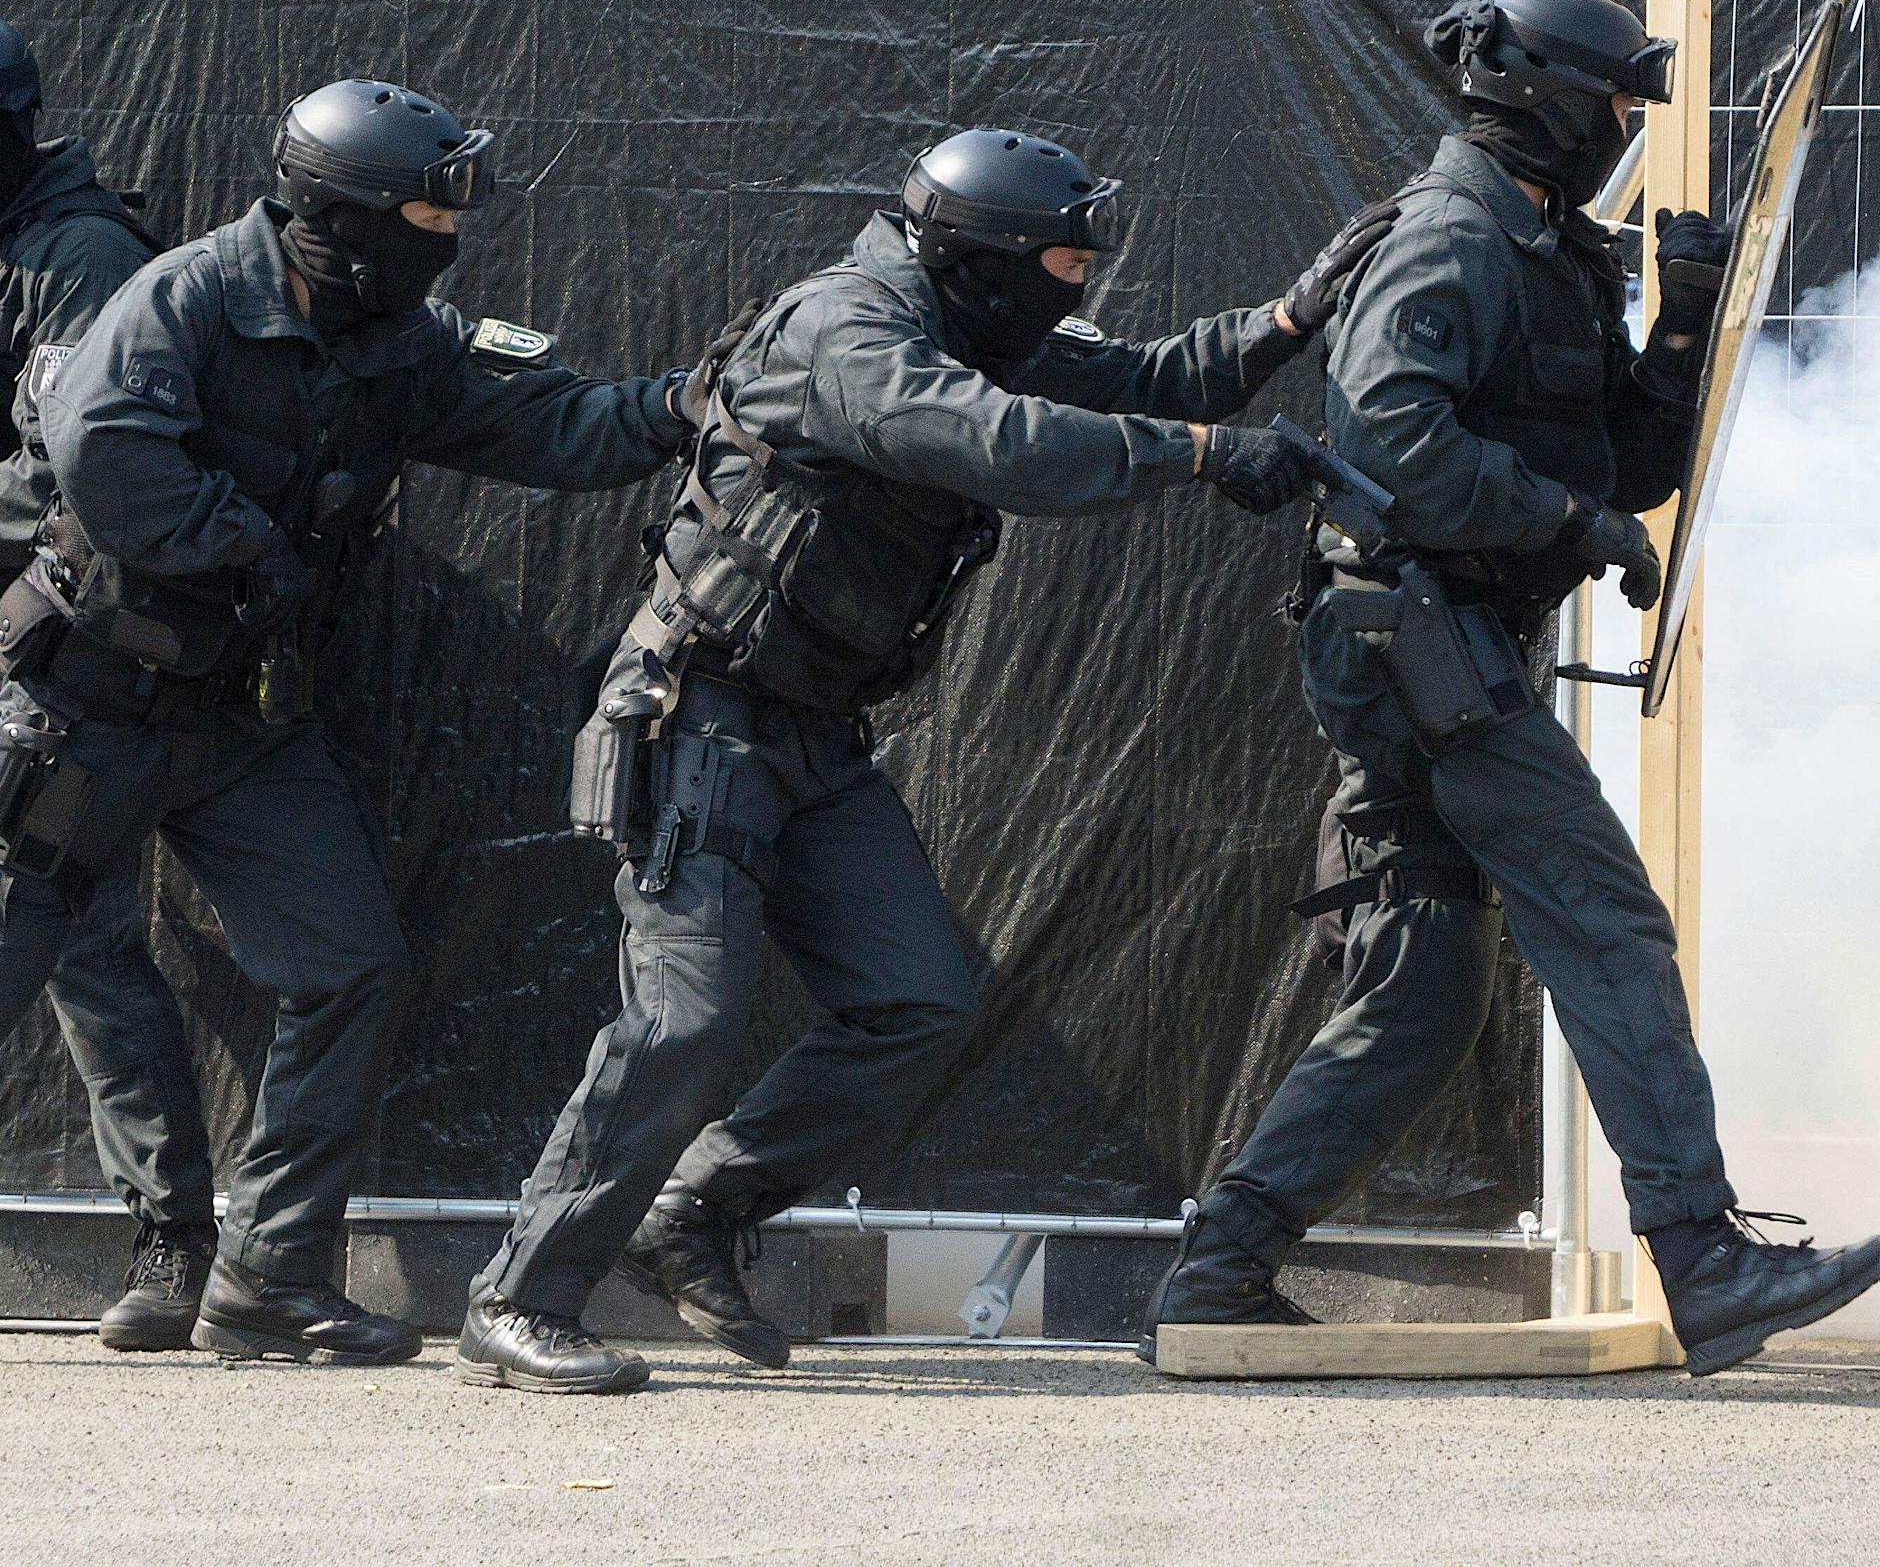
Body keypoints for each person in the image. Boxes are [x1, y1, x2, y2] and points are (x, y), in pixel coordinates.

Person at [458, 126, 1391, 1395]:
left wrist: (1288, 316)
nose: (1075, 285)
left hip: (813, 739)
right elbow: (989, 439)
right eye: (1060, 260)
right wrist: (1195, 457)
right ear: (983, 258)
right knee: (683, 1015)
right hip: (701, 716)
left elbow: (1140, 375)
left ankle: (701, 1208)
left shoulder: (968, 319)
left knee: (915, 1003)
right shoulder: (848, 331)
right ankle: (518, 1296)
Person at [1138, 0, 1880, 1379]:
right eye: (1616, 99)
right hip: (1413, 641)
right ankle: (1703, 1258)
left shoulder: (1544, 243)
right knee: (1607, 923)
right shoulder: (1452, 239)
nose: (1624, 123)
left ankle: (1217, 1271)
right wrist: (1575, 528)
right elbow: (1391, 450)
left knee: (1418, 994)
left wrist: (1683, 327)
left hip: (1453, 644)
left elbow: (1628, 469)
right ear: (1542, 91)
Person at [1, 78, 691, 1365]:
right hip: (88, 709)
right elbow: (105, 448)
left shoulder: (401, 332)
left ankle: (267, 1276)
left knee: (346, 965)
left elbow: (539, 418)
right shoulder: (187, 299)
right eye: (428, 207)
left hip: (238, 726)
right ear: (344, 216)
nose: (447, 231)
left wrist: (676, 410)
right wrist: (247, 547)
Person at [0, 17, 222, 1352]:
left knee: (69, 933)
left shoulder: (78, 257)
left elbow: (82, 477)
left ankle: (171, 1233)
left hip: (59, 645)